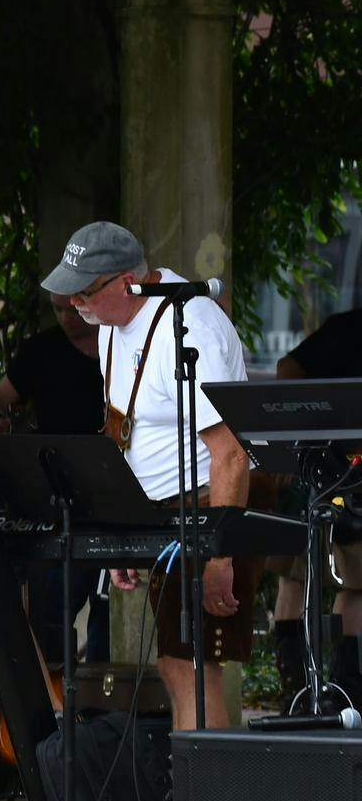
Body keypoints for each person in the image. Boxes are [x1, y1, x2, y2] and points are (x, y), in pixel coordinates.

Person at [39, 221, 250, 731]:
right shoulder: (112, 324)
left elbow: (231, 455)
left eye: (84, 293)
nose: (74, 307)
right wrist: (120, 535)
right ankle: (193, 797)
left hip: (206, 506)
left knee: (190, 668)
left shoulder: (188, 328)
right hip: (161, 512)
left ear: (128, 282)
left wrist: (221, 554)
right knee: (177, 667)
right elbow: (123, 430)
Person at [0, 292, 109, 664]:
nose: (67, 316)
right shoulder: (42, 350)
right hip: (60, 495)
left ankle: (104, 706)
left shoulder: (122, 341)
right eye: (57, 308)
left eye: (74, 307)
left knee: (109, 604)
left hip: (117, 487)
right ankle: (54, 700)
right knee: (55, 606)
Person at [271, 312, 362, 710]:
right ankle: (301, 690)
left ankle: (342, 689)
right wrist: (307, 430)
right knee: (302, 577)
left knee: (351, 583)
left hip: (337, 468)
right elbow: (287, 368)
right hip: (324, 468)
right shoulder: (350, 328)